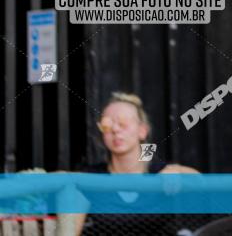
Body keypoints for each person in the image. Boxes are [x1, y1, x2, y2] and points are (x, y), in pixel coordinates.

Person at [73, 92, 199, 235]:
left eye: (123, 123)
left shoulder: (160, 172)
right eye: (107, 124)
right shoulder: (90, 177)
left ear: (142, 131)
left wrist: (178, 170)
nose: (115, 129)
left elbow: (200, 182)